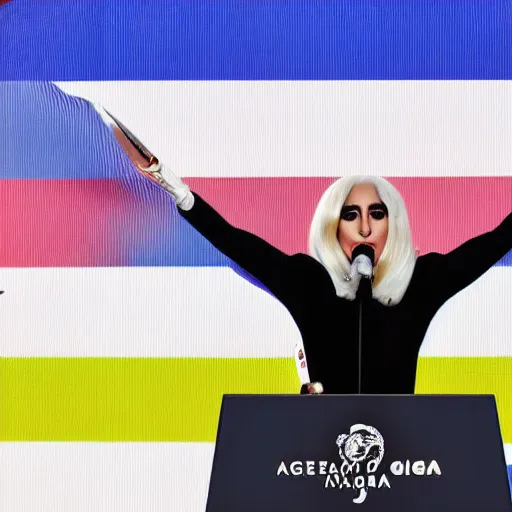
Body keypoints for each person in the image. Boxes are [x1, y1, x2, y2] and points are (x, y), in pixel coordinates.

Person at [93, 104, 512, 396]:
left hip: (399, 465)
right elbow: (237, 243)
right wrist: (176, 189)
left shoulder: (421, 282)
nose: (365, 226)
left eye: (377, 213)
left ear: (393, 222)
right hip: (321, 463)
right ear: (332, 225)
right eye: (351, 214)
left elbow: (494, 242)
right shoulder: (309, 283)